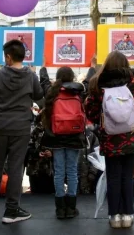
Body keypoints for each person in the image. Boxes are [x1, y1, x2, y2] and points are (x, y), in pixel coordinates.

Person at [84, 35, 134, 229]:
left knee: (113, 177)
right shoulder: (131, 80)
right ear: (124, 64)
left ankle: (114, 216)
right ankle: (128, 214)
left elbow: (89, 109)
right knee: (127, 176)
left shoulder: (97, 84)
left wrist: (100, 125)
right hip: (131, 137)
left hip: (110, 138)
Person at [0, 39, 44, 224]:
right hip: (20, 126)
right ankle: (11, 211)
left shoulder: (0, 74)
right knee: (16, 168)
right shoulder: (30, 76)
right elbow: (39, 96)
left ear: (8, 57)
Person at [40, 66, 87, 219]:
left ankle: (60, 208)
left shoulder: (52, 92)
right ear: (73, 77)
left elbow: (44, 81)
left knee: (59, 172)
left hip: (57, 136)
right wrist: (92, 65)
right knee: (72, 171)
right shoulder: (79, 92)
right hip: (75, 136)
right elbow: (90, 81)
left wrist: (44, 66)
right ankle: (71, 207)